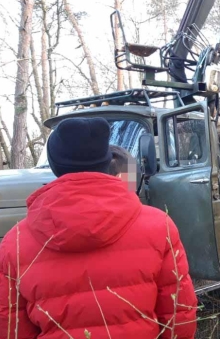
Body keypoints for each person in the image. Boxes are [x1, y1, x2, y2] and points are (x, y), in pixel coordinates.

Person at [0, 117, 198, 338]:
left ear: (55, 166)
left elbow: (11, 327)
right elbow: (179, 315)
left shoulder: (15, 242)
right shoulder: (160, 226)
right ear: (107, 163)